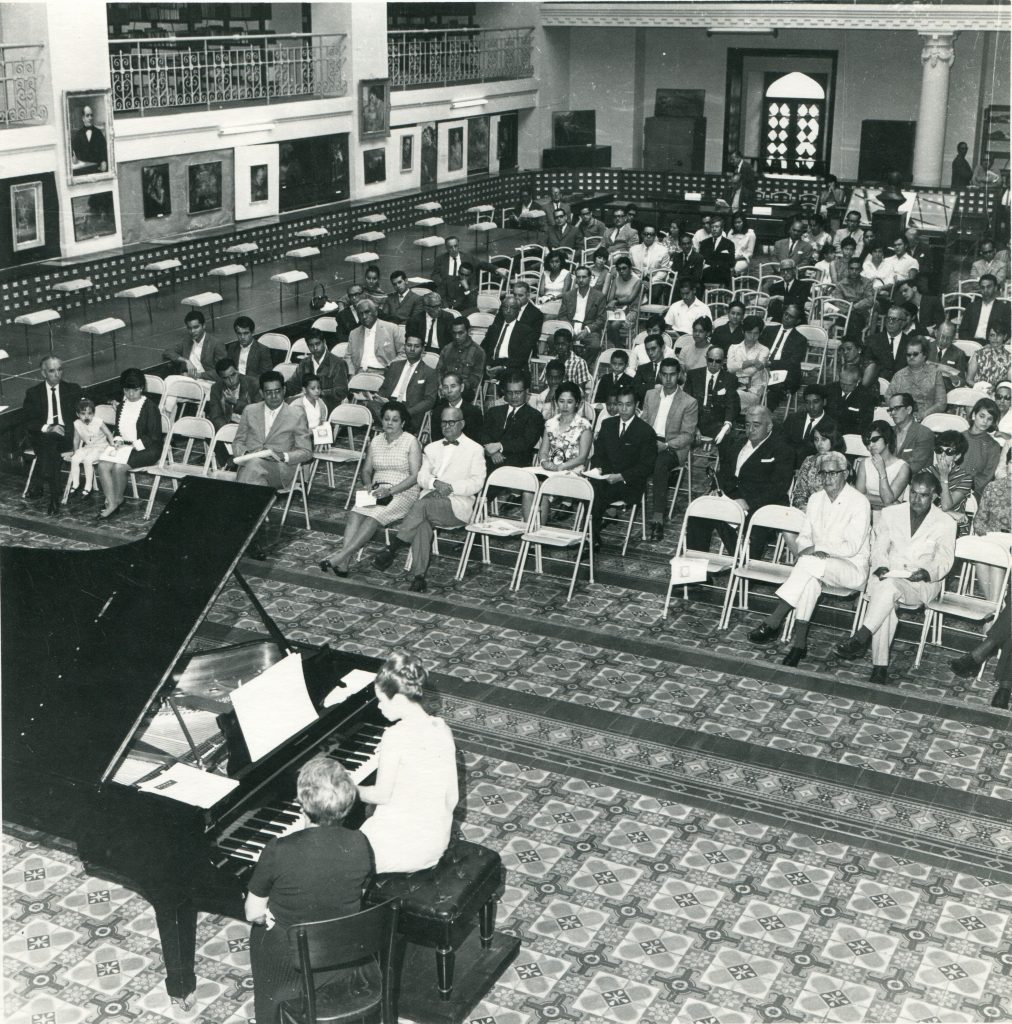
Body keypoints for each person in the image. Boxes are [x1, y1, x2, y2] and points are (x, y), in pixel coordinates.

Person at [245, 755, 372, 1024]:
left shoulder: (279, 849)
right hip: (341, 950)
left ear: (302, 802)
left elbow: (253, 913)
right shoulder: (360, 841)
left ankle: (270, 1014)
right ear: (347, 803)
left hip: (290, 960)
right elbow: (358, 893)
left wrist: (267, 915)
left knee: (259, 932)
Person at [749, 451, 871, 668]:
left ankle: (774, 620)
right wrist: (810, 549)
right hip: (817, 565)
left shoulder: (859, 502)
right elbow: (804, 536)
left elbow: (851, 547)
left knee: (807, 565)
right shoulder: (816, 499)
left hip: (851, 568)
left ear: (846, 473)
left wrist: (818, 548)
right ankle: (799, 645)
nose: (828, 478)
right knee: (809, 580)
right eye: (823, 473)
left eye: (833, 473)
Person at [836, 472, 956, 685]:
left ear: (935, 496)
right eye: (913, 493)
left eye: (923, 495)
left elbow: (945, 561)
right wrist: (881, 565)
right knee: (887, 595)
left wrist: (926, 572)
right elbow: (879, 547)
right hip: (889, 576)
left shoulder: (945, 522)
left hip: (920, 584)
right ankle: (879, 667)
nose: (916, 500)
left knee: (885, 592)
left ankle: (862, 637)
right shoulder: (891, 513)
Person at [358, 654, 458, 873]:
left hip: (403, 849)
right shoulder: (441, 728)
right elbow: (452, 798)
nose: (378, 707)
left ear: (399, 699)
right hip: (435, 843)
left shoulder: (395, 736)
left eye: (381, 700)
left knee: (331, 859)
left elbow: (380, 796)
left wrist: (348, 787)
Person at [373, 407, 485, 592]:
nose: (447, 426)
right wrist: (435, 483)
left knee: (420, 507)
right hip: (428, 501)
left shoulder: (475, 449)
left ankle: (393, 547)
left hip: (457, 504)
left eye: (451, 422)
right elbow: (421, 476)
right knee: (422, 523)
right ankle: (419, 577)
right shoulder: (431, 447)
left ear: (462, 424)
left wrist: (451, 488)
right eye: (443, 422)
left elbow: (477, 483)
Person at [319, 401, 421, 576]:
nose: (389, 423)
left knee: (373, 517)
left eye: (395, 420)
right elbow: (366, 470)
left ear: (402, 423)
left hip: (403, 491)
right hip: (377, 489)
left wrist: (391, 491)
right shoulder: (376, 440)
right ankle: (344, 564)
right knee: (355, 513)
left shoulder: (411, 441)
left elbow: (414, 477)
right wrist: (367, 484)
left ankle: (341, 557)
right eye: (387, 419)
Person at [586, 385, 656, 549]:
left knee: (595, 493)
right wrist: (598, 469)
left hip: (629, 483)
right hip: (605, 478)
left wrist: (621, 476)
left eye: (628, 404)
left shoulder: (645, 431)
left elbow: (646, 466)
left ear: (636, 405)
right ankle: (591, 535)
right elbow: (598, 455)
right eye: (620, 404)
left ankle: (590, 536)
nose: (623, 409)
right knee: (589, 487)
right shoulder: (608, 424)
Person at [95, 368, 163, 520]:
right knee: (103, 465)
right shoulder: (121, 406)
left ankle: (116, 501)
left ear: (142, 388)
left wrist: (133, 446)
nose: (131, 395)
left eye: (135, 391)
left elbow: (154, 436)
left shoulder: (150, 407)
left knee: (120, 467)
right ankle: (112, 500)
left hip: (147, 448)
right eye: (127, 391)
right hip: (126, 446)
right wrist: (118, 440)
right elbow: (119, 429)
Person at [643, 358, 698, 541]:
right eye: (664, 375)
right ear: (659, 375)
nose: (668, 379)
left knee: (660, 464)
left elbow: (688, 436)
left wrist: (666, 445)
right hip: (650, 441)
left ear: (679, 375)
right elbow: (643, 422)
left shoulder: (689, 402)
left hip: (673, 446)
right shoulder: (650, 394)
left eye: (672, 375)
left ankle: (657, 519)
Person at [22, 355, 83, 513]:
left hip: (67, 436)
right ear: (43, 373)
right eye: (52, 371)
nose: (57, 374)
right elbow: (29, 422)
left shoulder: (73, 389)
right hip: (45, 436)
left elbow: (88, 405)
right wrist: (48, 427)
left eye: (60, 369)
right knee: (51, 445)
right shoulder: (33, 393)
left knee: (50, 449)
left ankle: (41, 480)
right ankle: (54, 498)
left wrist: (111, 401)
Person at [233, 370, 312, 491]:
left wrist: (282, 456)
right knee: (255, 476)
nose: (274, 396)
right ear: (261, 393)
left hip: (280, 469)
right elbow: (238, 442)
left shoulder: (296, 415)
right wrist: (245, 454)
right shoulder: (249, 411)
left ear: (284, 390)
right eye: (269, 392)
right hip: (251, 466)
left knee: (252, 468)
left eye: (277, 391)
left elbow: (306, 452)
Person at [684, 345, 740, 462]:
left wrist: (727, 425)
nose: (713, 364)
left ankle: (720, 474)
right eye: (710, 360)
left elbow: (731, 404)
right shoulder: (693, 375)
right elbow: (686, 403)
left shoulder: (730, 379)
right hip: (695, 419)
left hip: (716, 422)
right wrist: (694, 426)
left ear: (723, 361)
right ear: (706, 358)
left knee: (728, 441)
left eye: (718, 361)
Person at [370, 335, 438, 430]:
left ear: (423, 350)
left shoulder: (430, 372)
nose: (412, 349)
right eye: (409, 345)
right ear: (404, 347)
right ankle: (395, 426)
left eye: (416, 346)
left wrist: (407, 411)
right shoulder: (394, 366)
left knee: (393, 416)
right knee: (370, 404)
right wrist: (378, 397)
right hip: (390, 404)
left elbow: (429, 401)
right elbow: (384, 389)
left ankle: (390, 426)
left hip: (409, 409)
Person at [480, 372, 545, 471]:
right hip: (489, 462)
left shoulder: (534, 416)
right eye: (510, 392)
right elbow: (483, 434)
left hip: (517, 466)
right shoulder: (493, 411)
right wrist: (493, 452)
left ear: (527, 392)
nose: (514, 397)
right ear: (505, 393)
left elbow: (526, 442)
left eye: (518, 392)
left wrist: (500, 446)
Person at [284, 328, 349, 411]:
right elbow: (293, 384)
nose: (315, 348)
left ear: (324, 342)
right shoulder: (305, 363)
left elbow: (341, 391)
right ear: (308, 346)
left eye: (317, 344)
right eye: (311, 345)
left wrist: (320, 393)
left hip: (328, 404)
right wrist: (280, 390)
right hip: (306, 403)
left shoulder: (338, 363)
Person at [854, 420, 911, 513]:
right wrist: (889, 502)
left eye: (875, 440)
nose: (870, 445)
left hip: (892, 516)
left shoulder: (903, 467)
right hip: (867, 512)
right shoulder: (864, 463)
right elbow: (859, 496)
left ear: (886, 438)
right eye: (867, 442)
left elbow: (887, 499)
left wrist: (882, 471)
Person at [64, 398, 114, 502]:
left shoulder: (98, 421)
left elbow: (109, 434)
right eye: (83, 414)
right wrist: (75, 452)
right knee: (75, 459)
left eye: (89, 413)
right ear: (78, 414)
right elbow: (76, 439)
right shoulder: (77, 423)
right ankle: (76, 484)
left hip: (101, 447)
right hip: (88, 447)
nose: (87, 416)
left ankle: (88, 487)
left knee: (88, 460)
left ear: (93, 413)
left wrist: (113, 446)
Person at [537, 381, 593, 474]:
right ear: (556, 402)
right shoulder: (550, 423)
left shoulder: (584, 426)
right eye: (561, 401)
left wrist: (561, 467)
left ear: (577, 403)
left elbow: (582, 458)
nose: (565, 406)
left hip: (572, 471)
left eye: (570, 402)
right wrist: (544, 462)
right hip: (550, 470)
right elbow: (543, 452)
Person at [791, 420, 845, 514]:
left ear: (833, 439)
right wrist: (806, 510)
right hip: (807, 511)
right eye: (816, 439)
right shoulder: (809, 461)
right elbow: (799, 493)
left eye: (824, 439)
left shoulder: (841, 463)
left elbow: (844, 499)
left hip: (834, 514)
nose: (819, 444)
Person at [886, 337, 947, 420]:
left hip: (928, 419)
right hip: (902, 419)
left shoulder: (935, 373)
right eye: (908, 354)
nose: (911, 357)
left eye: (915, 354)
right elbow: (888, 397)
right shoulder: (899, 375)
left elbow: (941, 403)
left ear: (924, 355)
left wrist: (923, 415)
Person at [761, 303, 807, 409]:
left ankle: (764, 414)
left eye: (791, 316)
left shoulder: (800, 340)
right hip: (762, 367)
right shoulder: (769, 330)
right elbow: (758, 349)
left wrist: (770, 363)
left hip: (784, 372)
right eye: (786, 314)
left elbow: (792, 363)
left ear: (798, 321)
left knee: (775, 389)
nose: (786, 317)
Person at [162, 311, 227, 382]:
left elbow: (222, 372)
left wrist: (198, 375)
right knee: (168, 380)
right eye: (189, 328)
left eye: (196, 327)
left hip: (208, 382)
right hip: (189, 380)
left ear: (204, 325)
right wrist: (186, 361)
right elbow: (167, 352)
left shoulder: (216, 343)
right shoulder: (187, 341)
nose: (192, 331)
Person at [559, 265, 608, 357]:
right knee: (551, 340)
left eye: (584, 277)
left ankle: (583, 365)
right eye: (578, 277)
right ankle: (566, 362)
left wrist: (587, 330)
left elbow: (601, 319)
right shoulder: (568, 295)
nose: (581, 280)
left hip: (588, 328)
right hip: (570, 326)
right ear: (576, 279)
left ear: (590, 278)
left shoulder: (599, 296)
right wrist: (570, 328)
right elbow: (562, 315)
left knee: (595, 346)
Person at [482, 297, 538, 377]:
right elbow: (484, 348)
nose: (508, 311)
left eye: (512, 308)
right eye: (505, 307)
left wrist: (504, 367)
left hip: (512, 366)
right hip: (492, 363)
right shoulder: (494, 328)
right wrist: (487, 364)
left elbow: (522, 357)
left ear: (518, 310)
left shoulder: (525, 331)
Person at [781, 384, 831, 470]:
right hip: (787, 466)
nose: (811, 407)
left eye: (816, 402)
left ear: (824, 402)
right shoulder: (793, 419)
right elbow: (781, 442)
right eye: (807, 402)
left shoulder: (831, 425)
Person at [349, 299, 404, 374]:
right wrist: (351, 373)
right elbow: (348, 356)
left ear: (375, 312)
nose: (364, 316)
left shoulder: (392, 329)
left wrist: (390, 368)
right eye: (360, 314)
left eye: (367, 312)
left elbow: (403, 353)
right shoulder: (354, 333)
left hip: (384, 372)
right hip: (360, 373)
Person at [963, 397, 1002, 501]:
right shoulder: (959, 437)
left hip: (973, 492)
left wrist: (965, 487)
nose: (985, 421)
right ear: (973, 415)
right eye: (982, 416)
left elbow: (986, 476)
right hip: (950, 483)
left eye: (989, 419)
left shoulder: (993, 446)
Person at [436, 318, 486, 402]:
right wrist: (442, 385)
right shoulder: (447, 349)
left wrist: (457, 387)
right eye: (454, 333)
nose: (457, 337)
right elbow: (439, 370)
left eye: (461, 333)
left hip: (464, 391)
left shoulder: (479, 352)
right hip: (444, 388)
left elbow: (475, 378)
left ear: (469, 331)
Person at [885, 392, 934, 474]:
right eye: (890, 409)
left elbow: (914, 466)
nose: (892, 413)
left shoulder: (924, 433)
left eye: (896, 408)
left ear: (908, 410)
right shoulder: (889, 431)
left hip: (915, 482)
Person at [929, 429, 973, 520]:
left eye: (949, 452)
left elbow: (946, 506)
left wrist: (944, 477)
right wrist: (951, 513)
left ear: (957, 456)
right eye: (939, 450)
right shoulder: (926, 472)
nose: (942, 455)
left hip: (951, 524)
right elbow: (921, 505)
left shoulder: (965, 478)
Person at [208, 358, 260, 431]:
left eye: (233, 375)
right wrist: (226, 431)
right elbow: (216, 417)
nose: (231, 381)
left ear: (238, 370)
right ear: (221, 378)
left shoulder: (254, 384)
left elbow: (257, 412)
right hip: (227, 427)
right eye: (226, 378)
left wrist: (235, 402)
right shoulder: (216, 388)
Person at [432, 371, 483, 441]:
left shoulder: (474, 412)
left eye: (453, 386)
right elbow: (436, 439)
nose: (449, 390)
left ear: (462, 387)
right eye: (445, 387)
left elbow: (476, 440)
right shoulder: (438, 412)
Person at [827, 365, 876, 437]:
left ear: (858, 381)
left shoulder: (867, 397)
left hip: (851, 436)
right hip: (829, 433)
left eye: (849, 385)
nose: (845, 387)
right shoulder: (830, 389)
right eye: (842, 383)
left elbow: (865, 425)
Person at [765, 259, 812, 324]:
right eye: (783, 270)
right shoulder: (774, 287)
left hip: (797, 320)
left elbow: (800, 302)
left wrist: (780, 297)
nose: (785, 273)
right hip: (779, 321)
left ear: (794, 270)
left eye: (788, 270)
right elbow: (773, 307)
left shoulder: (804, 285)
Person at [968, 320, 1012, 387]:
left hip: (998, 395)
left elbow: (1009, 384)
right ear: (988, 337)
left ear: (1005, 337)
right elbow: (969, 380)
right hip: (978, 392)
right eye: (992, 335)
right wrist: (980, 388)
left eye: (999, 335)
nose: (995, 338)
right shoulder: (978, 354)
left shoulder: (1010, 359)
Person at [930, 320, 969, 389]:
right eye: (942, 337)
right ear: (936, 333)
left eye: (948, 338)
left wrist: (956, 381)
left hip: (946, 392)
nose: (944, 341)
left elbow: (963, 381)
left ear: (953, 339)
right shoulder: (925, 348)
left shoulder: (959, 354)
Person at [699, 216, 736, 290]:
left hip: (721, 275)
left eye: (717, 227)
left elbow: (731, 263)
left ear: (722, 228)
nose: (714, 229)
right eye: (712, 227)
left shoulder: (729, 244)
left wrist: (712, 264)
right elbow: (701, 260)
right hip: (706, 274)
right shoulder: (704, 243)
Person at [70, 105, 108, 174]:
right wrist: (73, 157)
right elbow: (72, 149)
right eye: (87, 116)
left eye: (91, 115)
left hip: (96, 168)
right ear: (83, 118)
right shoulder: (78, 134)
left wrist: (103, 161)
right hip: (82, 169)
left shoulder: (98, 133)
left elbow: (104, 150)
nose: (90, 118)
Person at [728, 149, 756, 214]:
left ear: (739, 158)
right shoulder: (735, 167)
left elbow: (749, 184)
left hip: (745, 196)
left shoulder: (747, 167)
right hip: (738, 194)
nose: (731, 161)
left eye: (733, 159)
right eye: (731, 159)